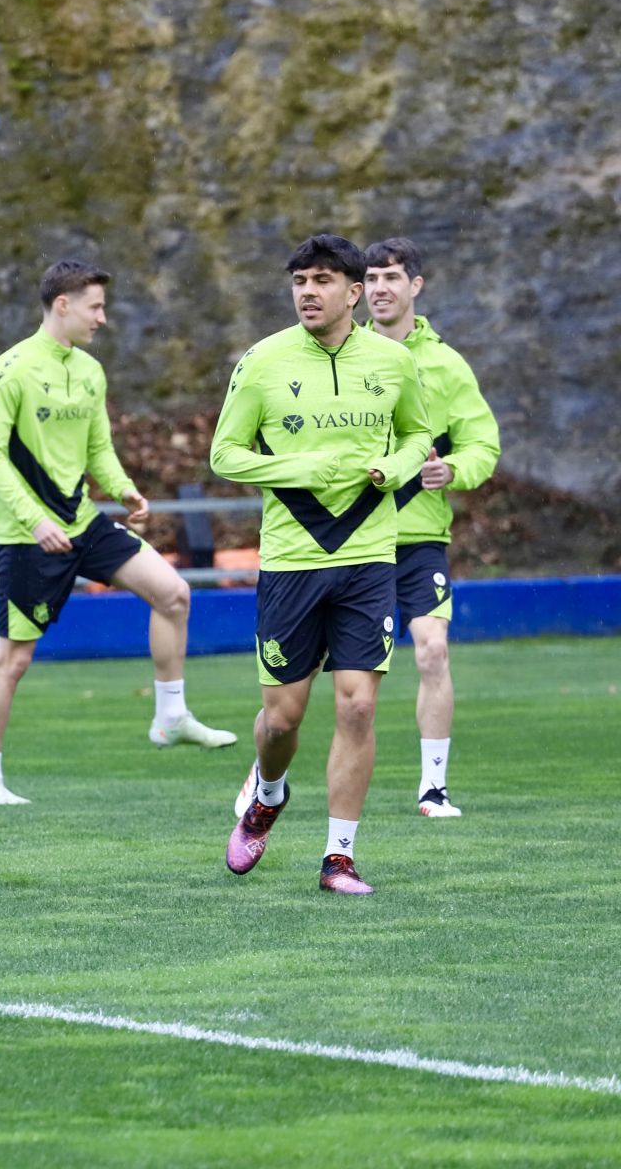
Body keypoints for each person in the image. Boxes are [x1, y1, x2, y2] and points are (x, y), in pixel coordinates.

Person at [212, 234, 432, 895]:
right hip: (291, 560)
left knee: (358, 707)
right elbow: (225, 454)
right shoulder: (263, 361)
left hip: (368, 557)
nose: (308, 292)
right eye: (299, 282)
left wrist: (395, 468)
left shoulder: (393, 362)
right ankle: (268, 793)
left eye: (322, 281)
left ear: (354, 291)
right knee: (282, 719)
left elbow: (417, 434)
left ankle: (339, 857)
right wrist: (299, 466)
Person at [0, 261, 235, 807]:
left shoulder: (90, 370)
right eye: (95, 307)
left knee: (174, 593)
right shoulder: (11, 369)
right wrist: (34, 519)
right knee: (12, 660)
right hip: (27, 536)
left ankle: (170, 718)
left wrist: (124, 490)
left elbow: (97, 449)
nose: (103, 318)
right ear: (62, 304)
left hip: (83, 521)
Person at [362, 239, 500, 816]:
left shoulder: (446, 365)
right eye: (371, 278)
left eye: (392, 277)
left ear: (415, 285)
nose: (380, 288)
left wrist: (453, 470)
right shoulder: (344, 358)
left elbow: (482, 445)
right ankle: (265, 781)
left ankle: (433, 789)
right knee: (314, 671)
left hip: (419, 541)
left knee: (433, 650)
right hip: (352, 541)